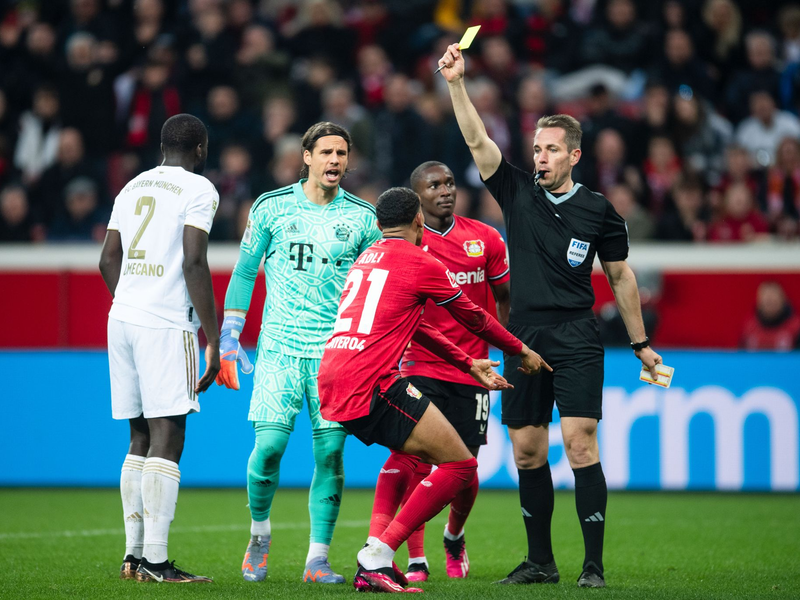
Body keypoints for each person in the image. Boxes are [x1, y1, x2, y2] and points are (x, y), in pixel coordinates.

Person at [438, 43, 663, 589]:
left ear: (574, 156)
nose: (539, 156)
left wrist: (640, 344)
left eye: (551, 149)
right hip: (523, 338)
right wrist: (456, 84)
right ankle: (540, 562)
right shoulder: (516, 191)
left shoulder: (600, 212)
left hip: (577, 334)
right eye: (536, 148)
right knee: (527, 448)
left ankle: (593, 566)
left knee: (581, 441)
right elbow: (476, 140)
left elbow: (621, 277)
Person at [317, 186, 551, 593]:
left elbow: (417, 326)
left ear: (378, 225)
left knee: (408, 457)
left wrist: (466, 361)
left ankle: (380, 552)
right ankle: (377, 556)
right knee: (461, 466)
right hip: (372, 381)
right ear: (418, 221)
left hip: (334, 376)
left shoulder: (365, 260)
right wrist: (520, 349)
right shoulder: (420, 261)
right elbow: (475, 317)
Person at [215, 122, 382, 584]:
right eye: (326, 152)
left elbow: (374, 290)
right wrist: (231, 332)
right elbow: (246, 271)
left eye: (342, 153)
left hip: (336, 356)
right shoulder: (271, 208)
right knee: (268, 449)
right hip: (280, 349)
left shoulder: (364, 218)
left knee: (330, 455)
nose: (334, 161)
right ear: (306, 156)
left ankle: (317, 559)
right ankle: (259, 536)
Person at [98, 114, 220, 583]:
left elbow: (108, 258)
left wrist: (131, 298)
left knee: (138, 437)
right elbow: (194, 259)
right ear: (201, 149)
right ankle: (156, 561)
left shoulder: (130, 187)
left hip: (122, 319)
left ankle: (132, 556)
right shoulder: (199, 189)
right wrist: (209, 338)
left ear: (162, 146)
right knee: (169, 436)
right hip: (166, 324)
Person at [377, 161, 510, 583]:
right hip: (419, 363)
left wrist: (505, 347)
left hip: (472, 369)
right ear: (417, 199)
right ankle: (415, 560)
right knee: (412, 457)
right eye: (434, 185)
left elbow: (503, 297)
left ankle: (455, 535)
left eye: (450, 183)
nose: (446, 190)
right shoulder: (407, 246)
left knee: (465, 468)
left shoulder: (485, 238)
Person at [740, 281, 800, 350]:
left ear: (783, 300)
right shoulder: (749, 327)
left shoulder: (795, 327)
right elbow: (742, 355)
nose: (770, 302)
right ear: (759, 302)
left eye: (774, 301)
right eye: (767, 302)